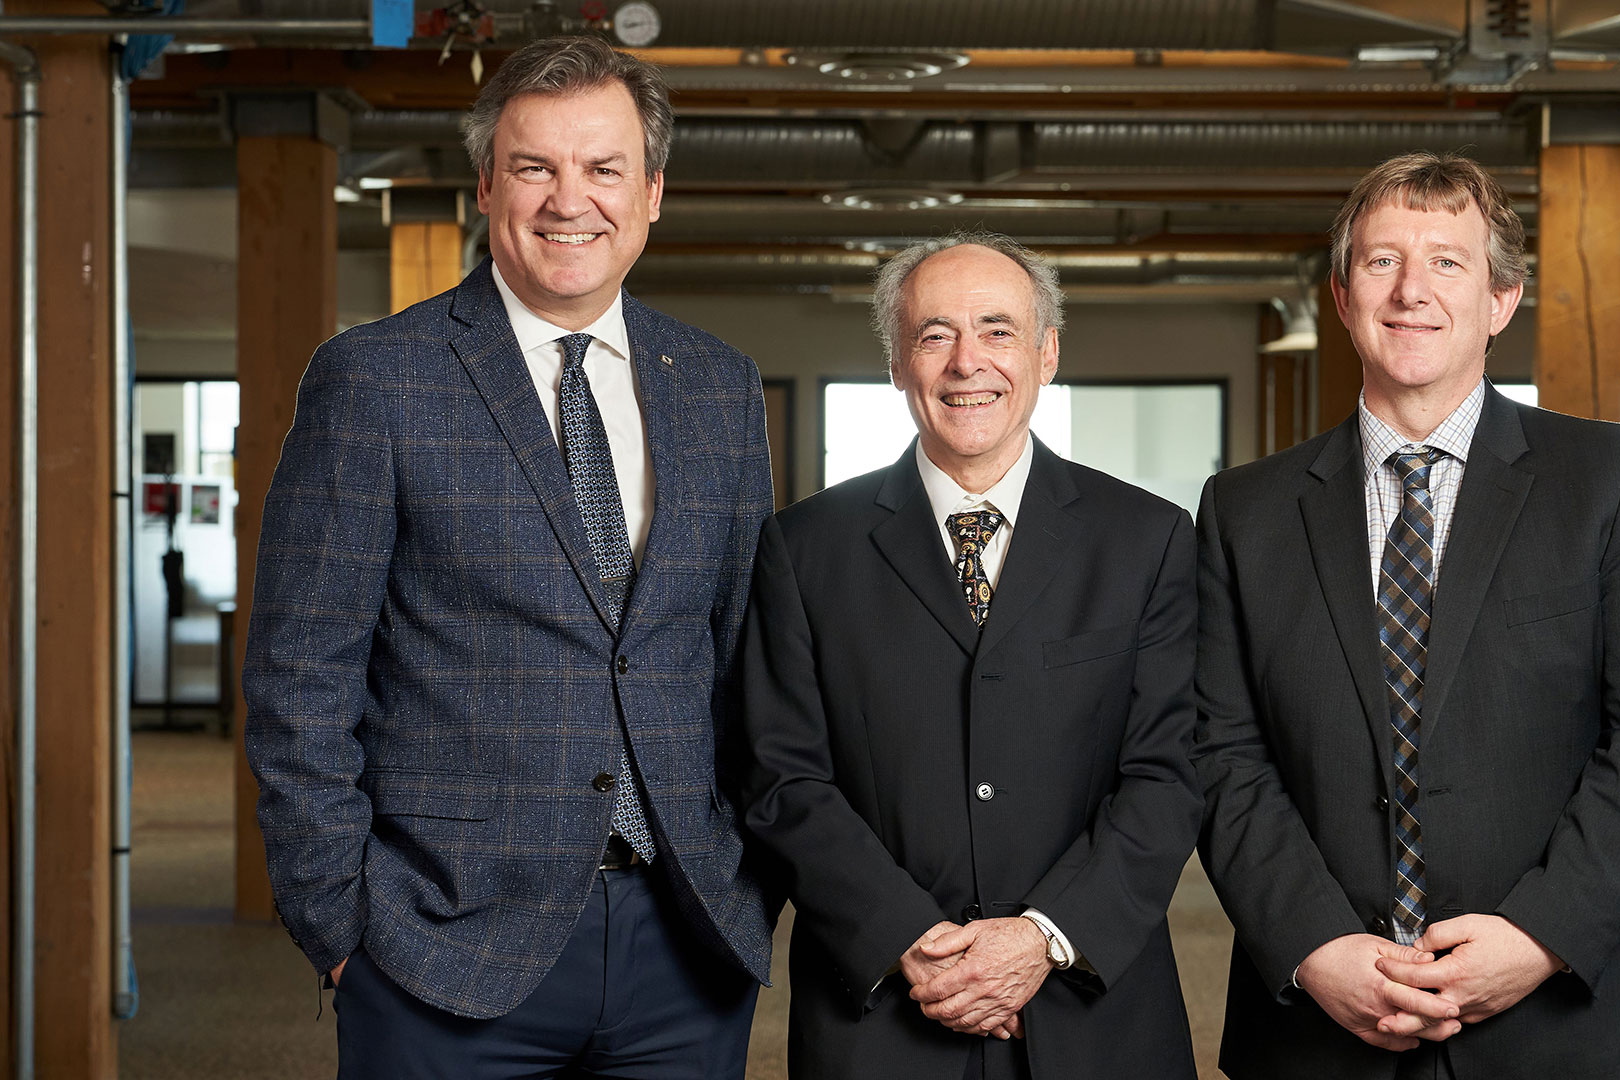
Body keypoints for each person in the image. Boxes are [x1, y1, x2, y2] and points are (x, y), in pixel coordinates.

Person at [243, 36, 776, 1079]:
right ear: (488, 184)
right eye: (535, 167)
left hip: (687, 940)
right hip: (439, 942)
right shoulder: (376, 380)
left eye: (604, 168)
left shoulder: (717, 384)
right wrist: (342, 927)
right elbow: (299, 679)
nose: (568, 200)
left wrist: (751, 880)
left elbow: (742, 653)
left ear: (653, 192)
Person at [1193, 152, 1620, 1080]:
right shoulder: (1244, 510)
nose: (1412, 291)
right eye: (1381, 262)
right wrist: (1315, 944)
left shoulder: (1612, 478)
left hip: (1578, 1011)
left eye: (1448, 262)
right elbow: (1220, 750)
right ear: (1340, 294)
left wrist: (1542, 933)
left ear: (1501, 301)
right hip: (1327, 1018)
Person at [740, 231, 1202, 1080]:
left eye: (997, 330)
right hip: (882, 1016)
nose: (967, 363)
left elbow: (1169, 772)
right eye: (934, 334)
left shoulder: (1148, 540)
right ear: (896, 363)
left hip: (1093, 1013)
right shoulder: (804, 549)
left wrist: (1041, 939)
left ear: (1046, 353)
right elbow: (783, 777)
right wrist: (908, 940)